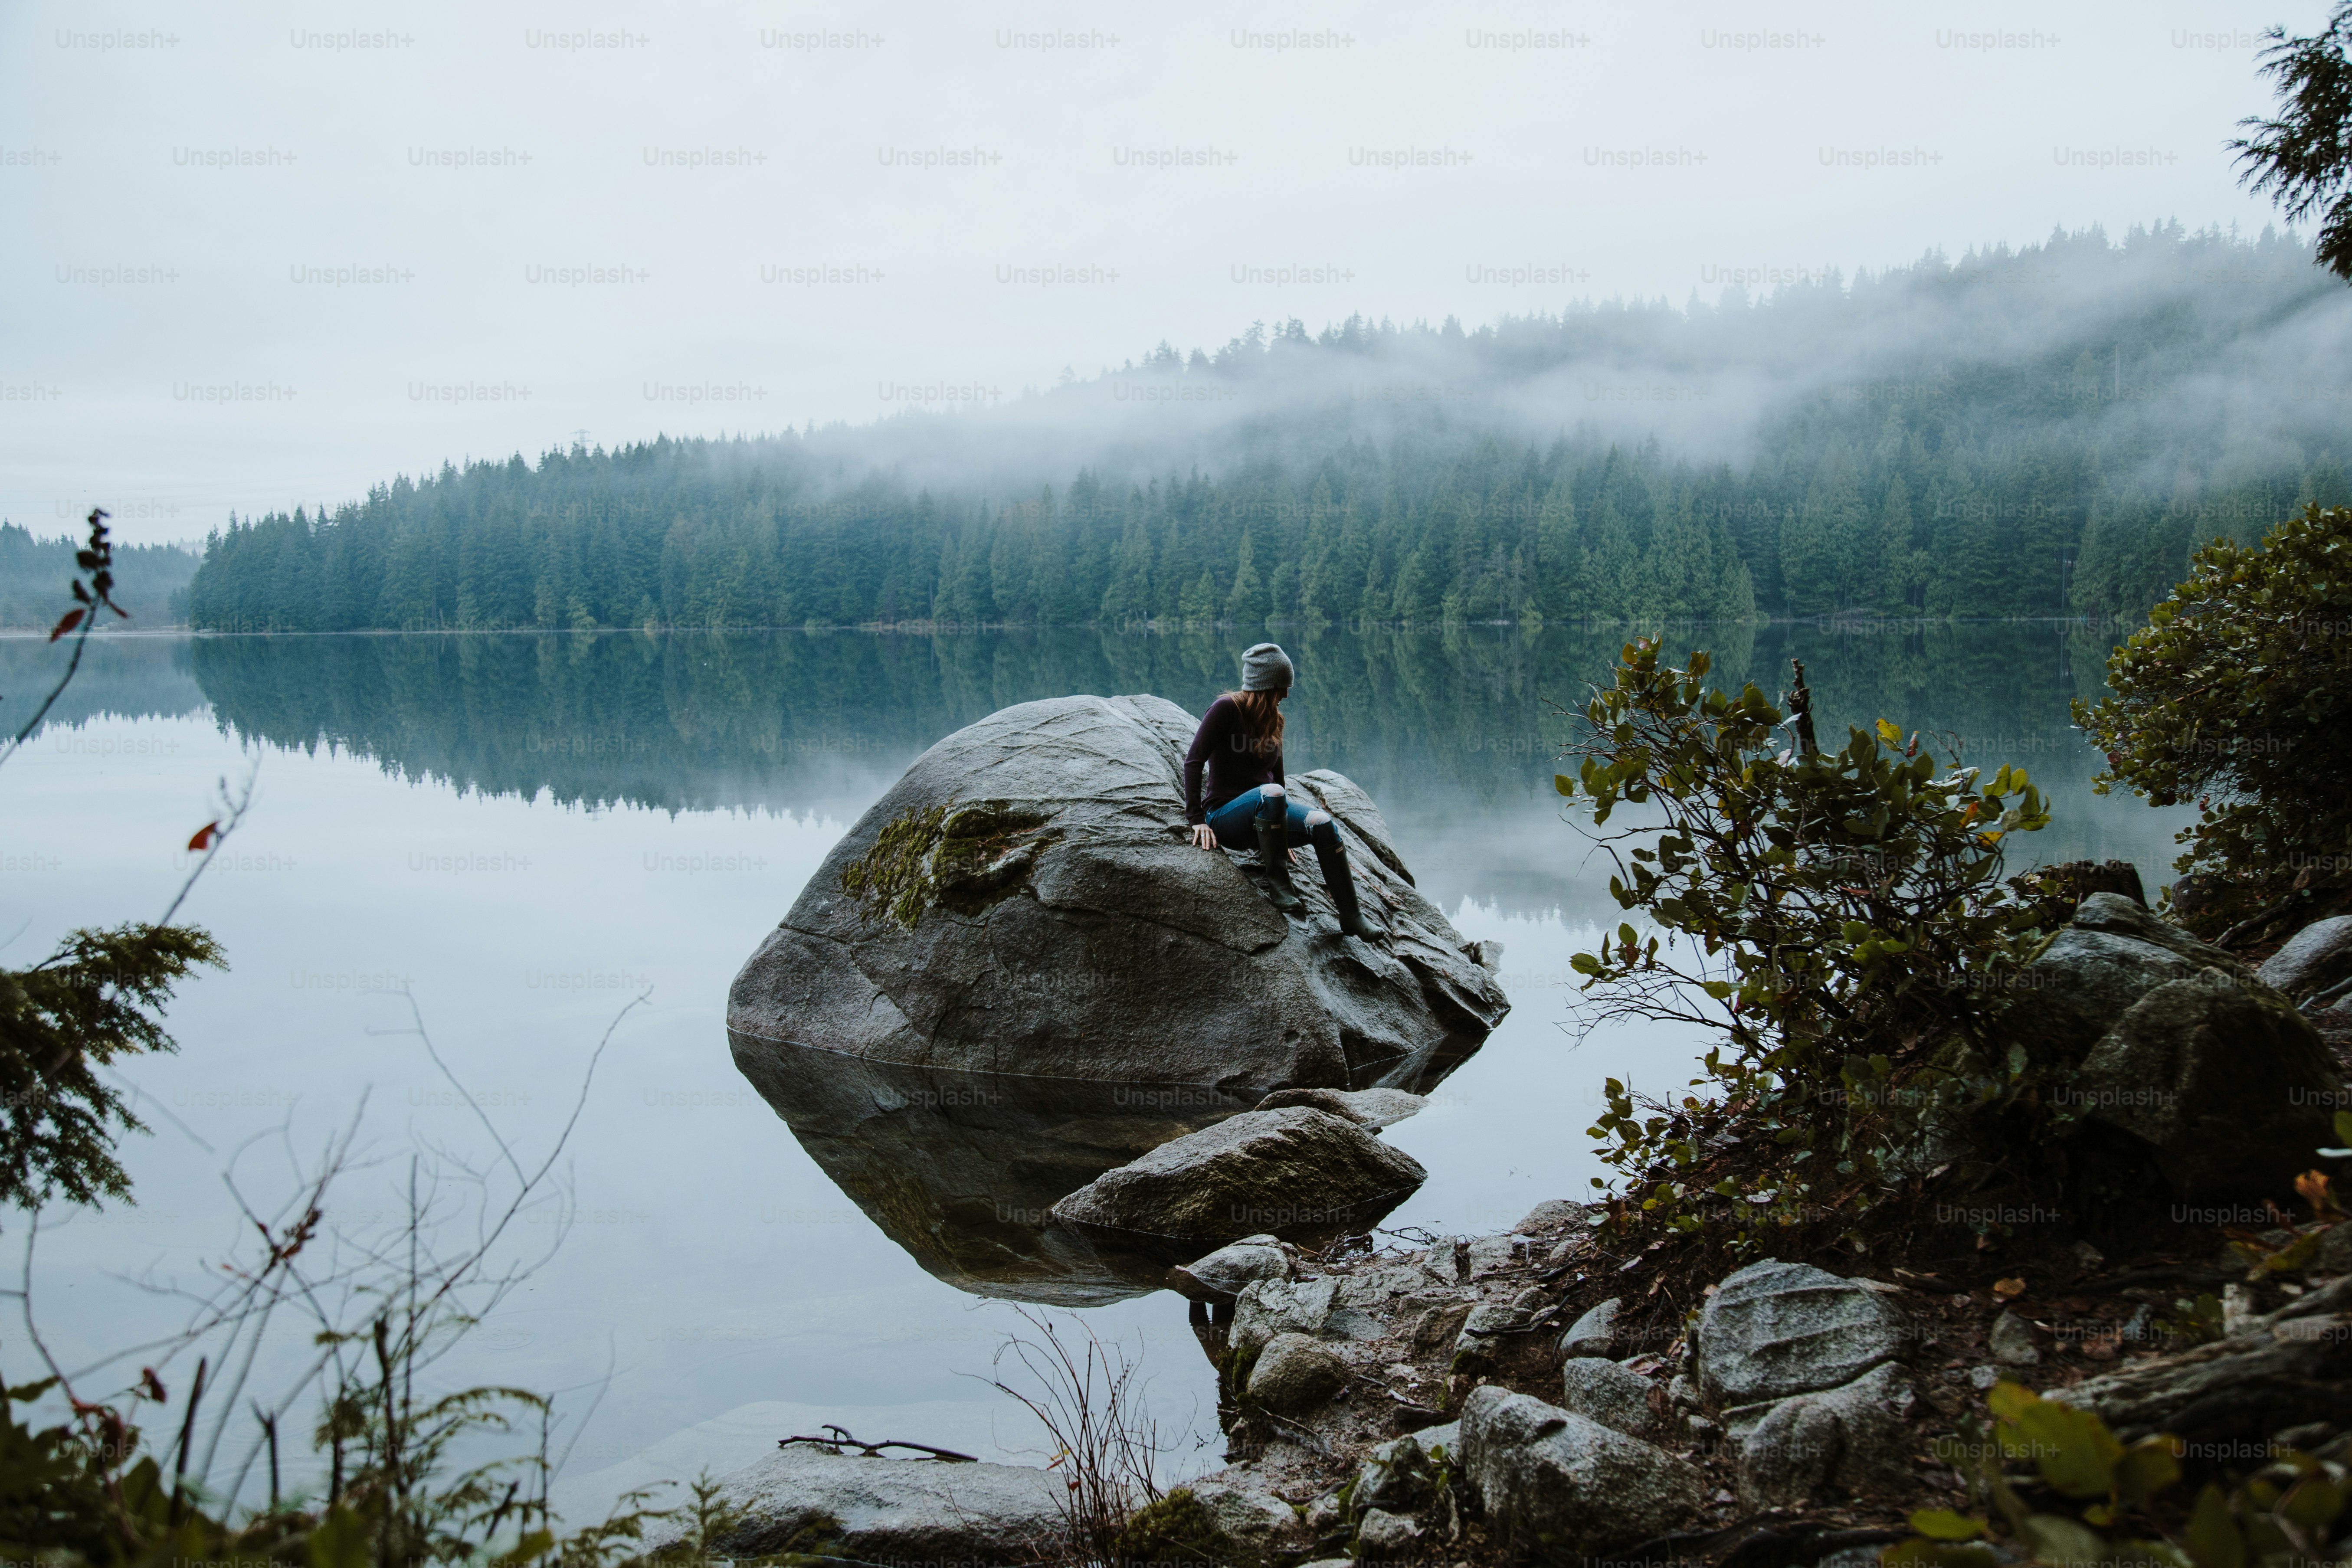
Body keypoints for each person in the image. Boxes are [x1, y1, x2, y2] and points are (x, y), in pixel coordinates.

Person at [1182, 642, 1369, 937]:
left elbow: (1278, 781)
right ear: (1266, 684)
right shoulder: (1225, 710)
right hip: (1226, 816)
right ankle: (1280, 888)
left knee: (1322, 823)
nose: (1286, 693)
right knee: (1271, 794)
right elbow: (1193, 762)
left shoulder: (1274, 720)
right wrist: (1197, 818)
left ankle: (1352, 916)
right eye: (1282, 686)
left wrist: (1282, 832)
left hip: (1268, 811)